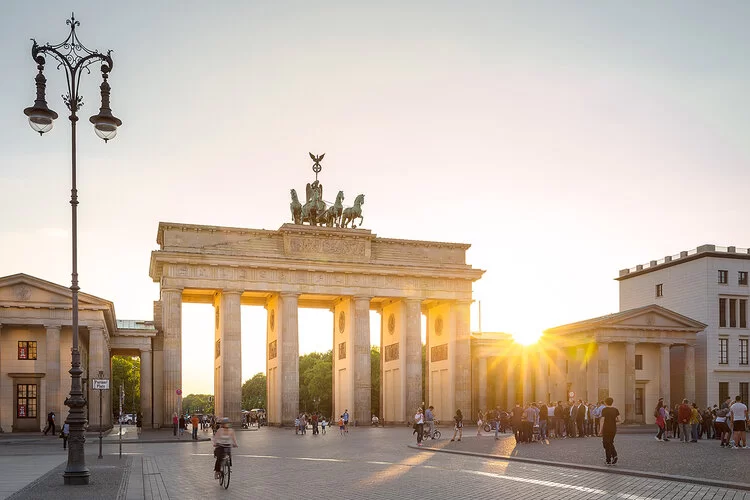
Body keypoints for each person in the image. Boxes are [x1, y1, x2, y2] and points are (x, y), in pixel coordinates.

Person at [599, 397, 619, 465]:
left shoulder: (604, 410)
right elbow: (619, 419)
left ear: (605, 402)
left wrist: (600, 430)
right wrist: (613, 421)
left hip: (606, 429)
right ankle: (614, 456)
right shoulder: (615, 410)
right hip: (613, 429)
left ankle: (608, 460)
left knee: (606, 444)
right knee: (610, 442)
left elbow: (602, 420)